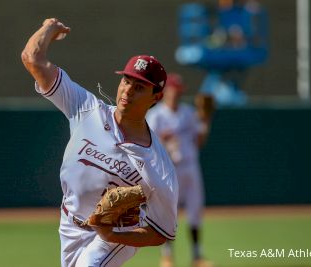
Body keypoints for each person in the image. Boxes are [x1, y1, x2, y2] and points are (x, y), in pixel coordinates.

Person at [21, 18, 179, 267]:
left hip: (110, 239)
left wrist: (112, 234)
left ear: (156, 97)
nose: (128, 90)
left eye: (139, 87)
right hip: (68, 225)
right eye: (126, 80)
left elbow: (163, 232)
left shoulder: (158, 166)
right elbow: (32, 59)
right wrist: (49, 27)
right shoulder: (86, 109)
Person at [147, 73, 213, 267]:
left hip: (190, 166)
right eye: (172, 90)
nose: (176, 94)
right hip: (169, 170)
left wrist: (207, 121)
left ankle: (197, 255)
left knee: (195, 210)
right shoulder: (156, 115)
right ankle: (167, 255)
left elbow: (198, 142)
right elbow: (147, 145)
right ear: (165, 91)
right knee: (169, 212)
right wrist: (161, 139)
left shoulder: (188, 112)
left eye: (178, 91)